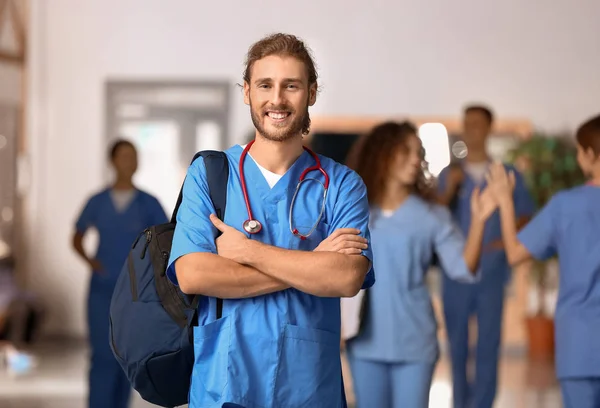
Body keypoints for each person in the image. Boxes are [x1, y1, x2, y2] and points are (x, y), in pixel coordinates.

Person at [167, 33, 374, 408]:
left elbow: (346, 277)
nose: (277, 99)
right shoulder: (211, 174)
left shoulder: (341, 184)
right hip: (224, 387)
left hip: (309, 388)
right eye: (265, 85)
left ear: (311, 93)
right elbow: (193, 275)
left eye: (291, 86)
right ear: (247, 92)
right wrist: (311, 265)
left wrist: (246, 251)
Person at [342, 121, 497, 408]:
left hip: (415, 343)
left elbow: (463, 268)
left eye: (419, 152)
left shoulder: (432, 216)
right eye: (406, 151)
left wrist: (478, 221)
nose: (416, 159)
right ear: (382, 154)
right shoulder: (353, 211)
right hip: (364, 343)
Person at [485, 113, 600, 408]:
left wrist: (506, 201)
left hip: (580, 347)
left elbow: (514, 253)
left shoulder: (566, 205)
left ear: (588, 154)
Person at [436, 105, 535, 408]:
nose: (472, 130)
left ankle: (482, 404)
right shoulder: (448, 175)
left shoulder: (506, 175)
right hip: (456, 273)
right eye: (467, 124)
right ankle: (460, 402)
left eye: (478, 124)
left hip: (492, 271)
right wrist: (449, 190)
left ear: (489, 129)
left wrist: (504, 241)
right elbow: (432, 218)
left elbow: (526, 216)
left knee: (489, 343)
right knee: (458, 344)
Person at [72, 140, 168, 408]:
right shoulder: (98, 201)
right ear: (112, 161)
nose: (130, 162)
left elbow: (165, 241)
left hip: (134, 291)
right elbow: (77, 237)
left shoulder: (148, 203)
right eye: (124, 156)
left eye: (134, 157)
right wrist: (92, 262)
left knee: (127, 353)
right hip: (101, 290)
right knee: (102, 353)